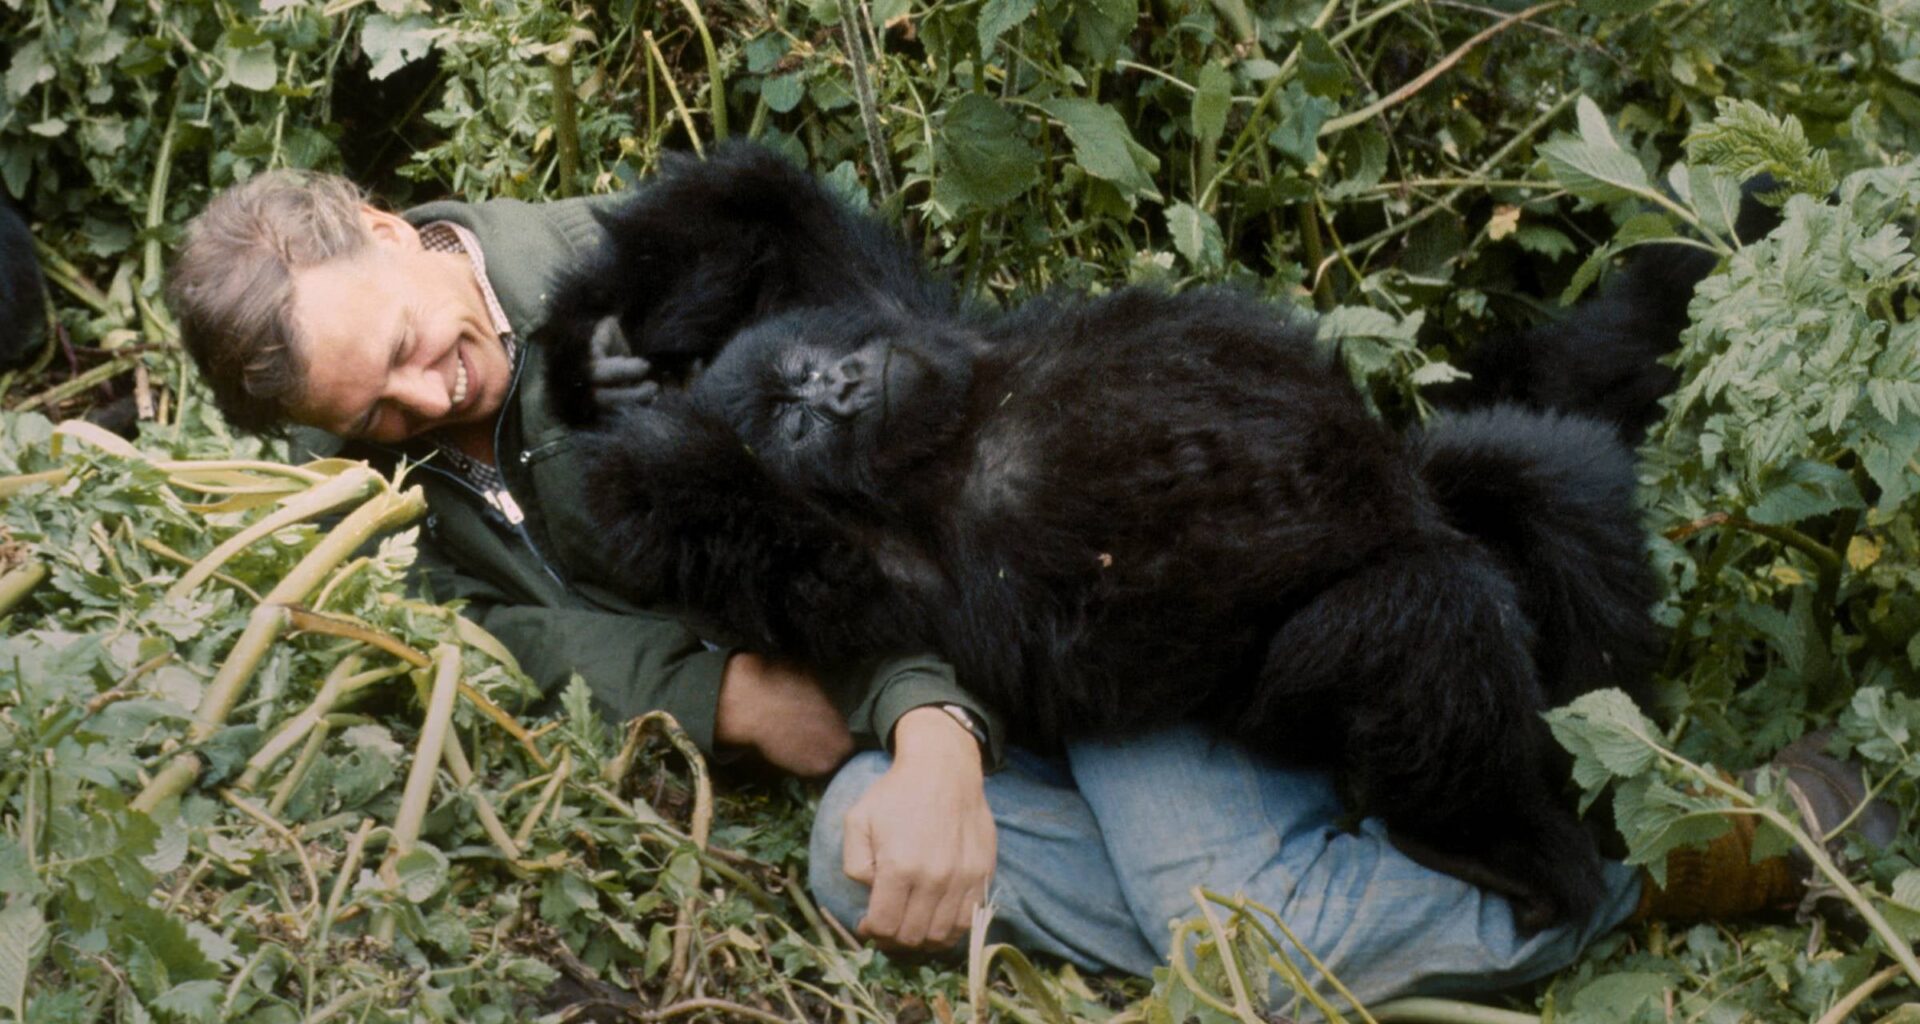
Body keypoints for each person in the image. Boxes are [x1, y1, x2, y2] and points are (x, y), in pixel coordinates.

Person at [166, 167, 1892, 1009]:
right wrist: (719, 701)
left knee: (1238, 945)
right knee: (858, 869)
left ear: (397, 229)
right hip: (967, 678)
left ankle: (1635, 880)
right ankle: (1345, 882)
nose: (426, 397)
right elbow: (544, 620)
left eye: (406, 351)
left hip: (1091, 636)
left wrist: (929, 732)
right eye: (371, 415)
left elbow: (937, 513)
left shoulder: (651, 292)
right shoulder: (418, 461)